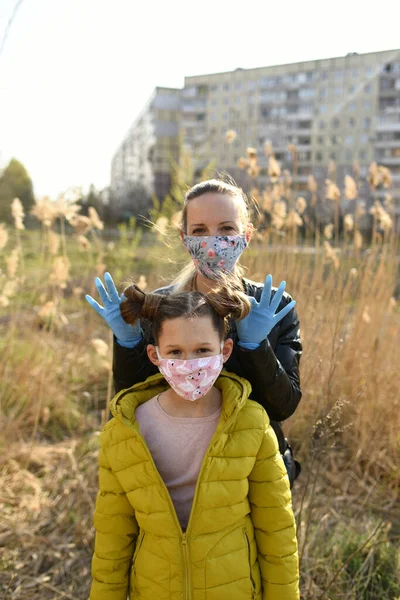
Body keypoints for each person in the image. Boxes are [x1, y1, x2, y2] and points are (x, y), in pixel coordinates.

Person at [90, 283, 299, 600]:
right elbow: (112, 540)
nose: (190, 364)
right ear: (154, 355)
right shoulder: (125, 433)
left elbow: (277, 532)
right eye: (175, 352)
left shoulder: (252, 425)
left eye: (202, 350)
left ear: (224, 351)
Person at [86, 179, 302, 485]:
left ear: (246, 235)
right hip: (174, 475)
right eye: (200, 230)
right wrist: (128, 342)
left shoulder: (275, 307)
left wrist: (256, 348)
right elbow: (131, 398)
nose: (213, 242)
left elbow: (284, 405)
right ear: (184, 238)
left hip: (253, 475)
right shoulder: (159, 307)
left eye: (226, 229)